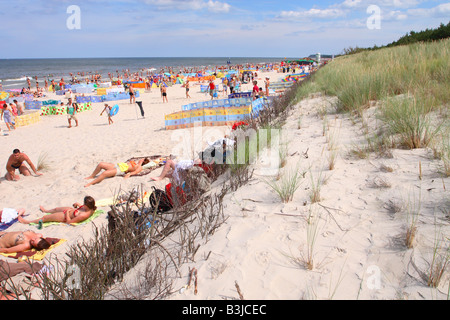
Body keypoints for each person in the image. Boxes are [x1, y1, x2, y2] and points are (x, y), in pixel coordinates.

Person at [18, 196, 97, 226]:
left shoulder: (84, 215)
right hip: (72, 210)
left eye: (84, 203)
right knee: (55, 209)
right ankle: (45, 210)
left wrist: (66, 214)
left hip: (66, 217)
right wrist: (78, 205)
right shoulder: (90, 208)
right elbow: (83, 208)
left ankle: (27, 222)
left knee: (45, 218)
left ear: (87, 205)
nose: (83, 204)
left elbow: (69, 222)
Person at [84, 158, 150, 187]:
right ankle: (92, 176)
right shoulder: (136, 162)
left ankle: (91, 183)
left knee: (104, 173)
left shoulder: (139, 167)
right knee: (101, 164)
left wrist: (129, 174)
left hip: (120, 170)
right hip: (117, 166)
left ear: (143, 161)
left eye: (142, 159)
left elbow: (135, 172)